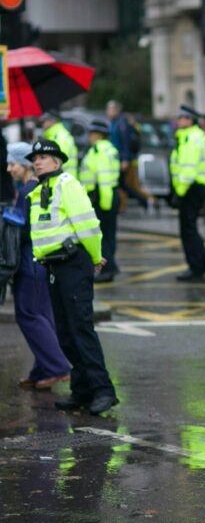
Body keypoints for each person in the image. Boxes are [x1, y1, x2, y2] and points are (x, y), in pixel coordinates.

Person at [26, 139, 118, 415]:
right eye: (35, 158)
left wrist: (94, 257)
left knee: (81, 328)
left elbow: (88, 225)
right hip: (53, 267)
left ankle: (103, 390)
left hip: (73, 264)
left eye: (43, 157)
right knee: (65, 333)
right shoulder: (40, 190)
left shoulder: (68, 185)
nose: (37, 162)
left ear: (57, 161)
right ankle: (82, 391)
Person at [6, 142, 71, 389]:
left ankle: (57, 367)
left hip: (30, 264)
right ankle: (42, 369)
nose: (9, 169)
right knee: (42, 315)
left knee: (29, 314)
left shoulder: (27, 192)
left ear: (24, 165)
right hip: (41, 264)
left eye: (13, 164)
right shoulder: (36, 188)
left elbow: (24, 231)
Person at [169, 105, 205, 281]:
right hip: (196, 188)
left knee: (188, 231)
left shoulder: (191, 139)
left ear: (190, 120)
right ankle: (204, 261)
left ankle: (196, 267)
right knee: (191, 228)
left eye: (181, 118)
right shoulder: (195, 136)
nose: (178, 121)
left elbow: (188, 169)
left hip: (190, 189)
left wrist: (179, 194)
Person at [80, 120, 121, 283]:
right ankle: (108, 268)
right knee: (109, 235)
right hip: (108, 195)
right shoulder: (109, 149)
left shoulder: (100, 150)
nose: (89, 137)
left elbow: (103, 178)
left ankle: (109, 268)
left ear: (98, 135)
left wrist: (104, 203)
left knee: (101, 235)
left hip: (102, 196)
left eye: (91, 133)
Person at [106, 100, 155, 213]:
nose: (108, 112)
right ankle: (143, 202)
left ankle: (146, 200)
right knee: (123, 184)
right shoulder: (113, 122)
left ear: (116, 110)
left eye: (110, 109)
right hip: (116, 159)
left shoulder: (122, 123)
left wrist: (125, 159)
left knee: (125, 185)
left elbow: (126, 142)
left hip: (122, 159)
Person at [39, 111, 79, 178]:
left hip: (63, 180)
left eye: (44, 121)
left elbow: (59, 160)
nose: (42, 124)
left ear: (52, 121)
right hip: (63, 179)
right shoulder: (55, 135)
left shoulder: (59, 136)